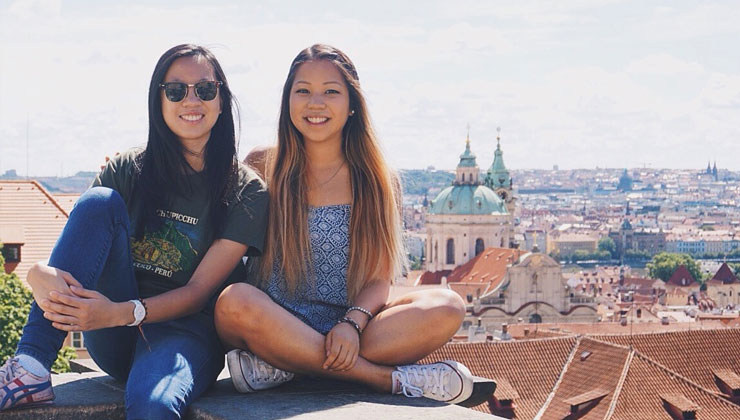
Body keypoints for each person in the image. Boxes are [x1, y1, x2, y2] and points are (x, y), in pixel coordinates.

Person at [215, 44, 493, 405]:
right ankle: (385, 381)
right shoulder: (264, 164)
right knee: (234, 301)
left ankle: (287, 365)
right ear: (288, 102)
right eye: (303, 91)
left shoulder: (377, 179)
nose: (316, 103)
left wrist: (351, 324)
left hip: (351, 330)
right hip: (273, 322)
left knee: (448, 306)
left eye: (331, 91)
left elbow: (378, 279)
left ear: (352, 105)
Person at [0, 44, 268, 419]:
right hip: (112, 331)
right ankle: (31, 366)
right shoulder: (129, 168)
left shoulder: (246, 190)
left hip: (184, 333)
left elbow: (196, 294)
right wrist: (37, 273)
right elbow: (81, 248)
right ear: (158, 101)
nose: (191, 99)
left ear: (221, 100)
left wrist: (121, 312)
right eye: (176, 90)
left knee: (154, 405)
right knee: (98, 202)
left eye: (205, 89)